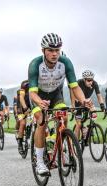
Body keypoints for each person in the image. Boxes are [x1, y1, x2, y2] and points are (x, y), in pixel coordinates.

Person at [29, 33, 93, 175]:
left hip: (55, 94)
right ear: (43, 51)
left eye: (57, 50)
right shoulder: (35, 65)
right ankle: (39, 162)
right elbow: (32, 93)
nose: (54, 54)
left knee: (63, 117)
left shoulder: (65, 63)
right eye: (50, 50)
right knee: (42, 121)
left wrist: (84, 100)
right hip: (38, 95)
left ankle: (59, 144)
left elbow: (75, 87)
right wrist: (40, 102)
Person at [70, 70, 106, 141]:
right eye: (89, 80)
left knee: (94, 111)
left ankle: (87, 128)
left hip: (87, 102)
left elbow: (99, 96)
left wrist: (102, 106)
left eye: (92, 80)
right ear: (84, 79)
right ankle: (76, 142)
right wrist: (80, 105)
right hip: (78, 102)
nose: (91, 82)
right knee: (79, 124)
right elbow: (74, 95)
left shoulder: (94, 84)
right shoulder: (79, 83)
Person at [16, 80, 31, 153]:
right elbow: (21, 98)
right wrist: (25, 108)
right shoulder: (25, 84)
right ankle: (20, 143)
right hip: (21, 106)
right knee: (23, 123)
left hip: (31, 104)